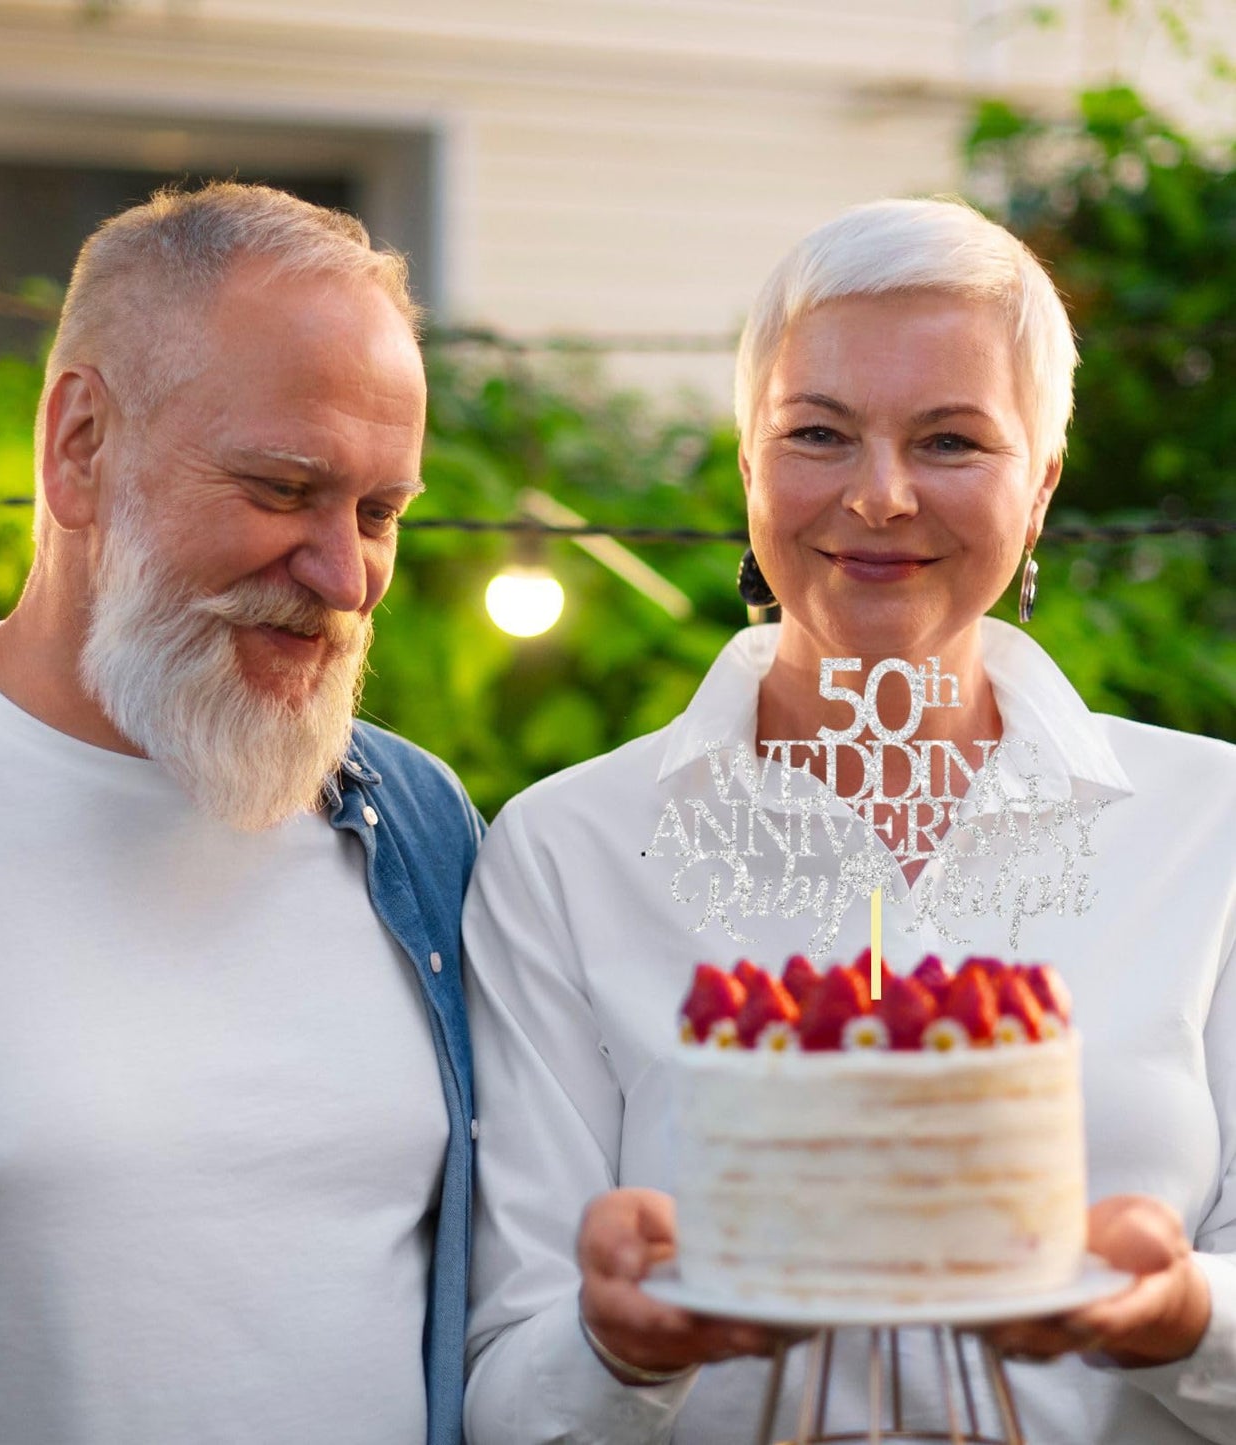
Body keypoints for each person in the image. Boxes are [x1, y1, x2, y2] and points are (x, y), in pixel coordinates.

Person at [462, 198, 1235, 1443]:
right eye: (816, 433)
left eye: (949, 441)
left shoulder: (1214, 830)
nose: (878, 497)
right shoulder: (566, 849)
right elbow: (509, 1396)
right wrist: (614, 1341)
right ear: (746, 461)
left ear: (1038, 483)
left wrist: (1182, 1313)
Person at [0, 183, 482, 1445]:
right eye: (283, 489)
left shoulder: (422, 830)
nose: (346, 578)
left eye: (381, 512)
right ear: (80, 445)